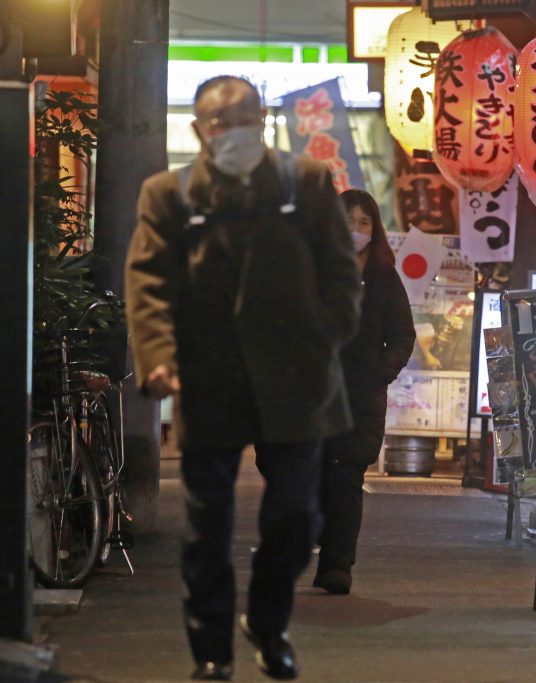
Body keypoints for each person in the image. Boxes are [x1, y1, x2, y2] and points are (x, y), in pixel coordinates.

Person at [125, 76, 361, 682]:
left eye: (244, 118)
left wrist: (325, 337)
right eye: (219, 121)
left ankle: (268, 621)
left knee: (295, 519)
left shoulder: (303, 181)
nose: (233, 131)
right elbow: (148, 283)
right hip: (209, 381)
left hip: (298, 380)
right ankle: (211, 650)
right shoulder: (168, 194)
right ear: (200, 129)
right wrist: (157, 355)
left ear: (263, 120)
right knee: (207, 528)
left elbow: (342, 272)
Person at [314, 189, 416, 595]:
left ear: (374, 230)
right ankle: (322, 540)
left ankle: (338, 566)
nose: (355, 230)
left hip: (360, 396)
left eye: (364, 222)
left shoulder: (384, 278)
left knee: (346, 477)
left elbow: (403, 335)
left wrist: (380, 374)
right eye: (347, 222)